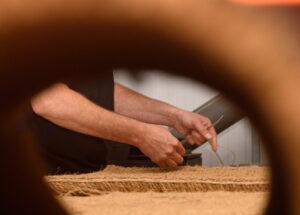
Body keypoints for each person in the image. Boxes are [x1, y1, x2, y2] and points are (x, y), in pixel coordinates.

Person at [29, 70, 217, 174]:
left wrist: (173, 116)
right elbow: (48, 100)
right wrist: (141, 135)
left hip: (79, 177)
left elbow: (98, 93)